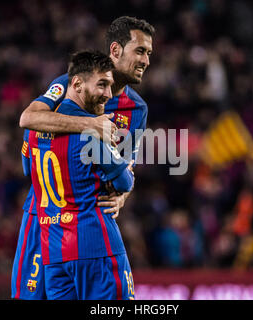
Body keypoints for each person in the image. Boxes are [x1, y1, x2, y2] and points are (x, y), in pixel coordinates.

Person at [11, 16, 154, 299]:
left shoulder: (137, 108)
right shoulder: (71, 83)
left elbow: (126, 169)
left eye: (149, 53)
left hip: (86, 218)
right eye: (140, 51)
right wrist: (91, 126)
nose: (146, 60)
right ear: (115, 50)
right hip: (44, 217)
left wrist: (122, 197)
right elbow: (28, 117)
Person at [30, 50, 134, 299]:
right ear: (76, 83)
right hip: (95, 243)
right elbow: (123, 181)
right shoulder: (93, 131)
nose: (108, 94)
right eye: (102, 85)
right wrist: (127, 169)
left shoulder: (34, 130)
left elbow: (27, 167)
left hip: (53, 250)